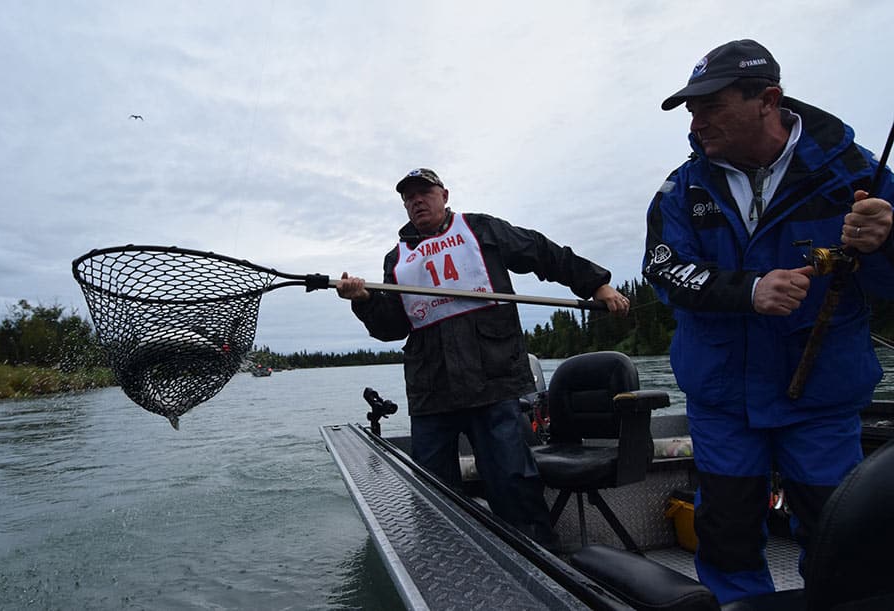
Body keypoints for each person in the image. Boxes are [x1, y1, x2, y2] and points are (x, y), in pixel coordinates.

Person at [643, 39, 894, 603]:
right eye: (691, 108)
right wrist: (749, 290)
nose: (696, 120)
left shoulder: (855, 176)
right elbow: (664, 272)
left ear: (768, 100)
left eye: (712, 105)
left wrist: (887, 240)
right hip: (723, 399)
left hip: (822, 398)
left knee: (839, 531)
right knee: (726, 531)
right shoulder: (681, 189)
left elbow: (888, 283)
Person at [336, 167, 629, 551]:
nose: (416, 201)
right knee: (433, 495)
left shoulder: (482, 230)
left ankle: (539, 563)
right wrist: (365, 301)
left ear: (444, 194)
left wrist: (596, 283)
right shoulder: (397, 259)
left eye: (424, 192)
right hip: (431, 393)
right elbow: (392, 326)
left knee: (513, 484)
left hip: (494, 384)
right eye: (409, 197)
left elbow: (542, 252)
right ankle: (444, 567)